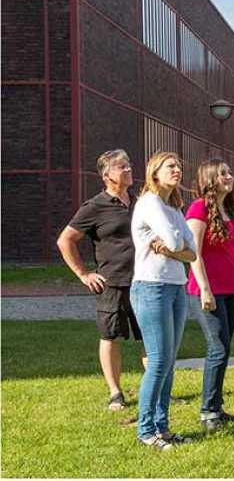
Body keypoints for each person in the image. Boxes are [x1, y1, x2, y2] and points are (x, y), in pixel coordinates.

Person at [57, 149, 142, 412]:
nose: (128, 169)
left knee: (149, 337)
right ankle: (115, 392)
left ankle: (156, 387)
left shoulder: (141, 201)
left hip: (144, 280)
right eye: (121, 167)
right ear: (107, 175)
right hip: (112, 283)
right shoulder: (94, 206)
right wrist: (84, 274)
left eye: (128, 165)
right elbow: (65, 240)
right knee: (111, 336)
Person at [130, 151, 197, 450]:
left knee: (169, 362)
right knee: (158, 360)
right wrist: (175, 248)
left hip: (176, 286)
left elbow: (192, 252)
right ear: (154, 172)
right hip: (151, 287)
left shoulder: (173, 209)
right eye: (170, 166)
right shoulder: (149, 202)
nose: (177, 170)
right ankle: (146, 431)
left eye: (180, 166)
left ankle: (163, 427)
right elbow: (176, 243)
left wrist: (172, 250)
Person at [185, 159, 234, 432]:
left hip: (232, 288)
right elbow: (194, 252)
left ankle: (217, 406)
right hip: (207, 291)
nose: (229, 176)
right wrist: (205, 289)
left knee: (224, 347)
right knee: (218, 348)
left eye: (230, 172)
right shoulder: (198, 208)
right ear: (210, 179)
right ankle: (208, 411)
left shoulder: (230, 209)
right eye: (223, 173)